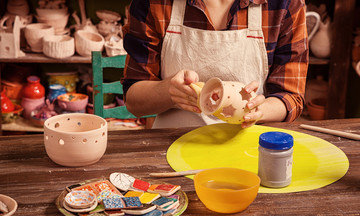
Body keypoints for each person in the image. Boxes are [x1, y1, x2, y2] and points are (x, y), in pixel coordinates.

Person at [121, 0, 308, 129]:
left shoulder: (284, 5)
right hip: (172, 144)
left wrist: (258, 111)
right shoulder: (153, 3)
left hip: (247, 146)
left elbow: (291, 96)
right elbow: (133, 100)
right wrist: (168, 90)